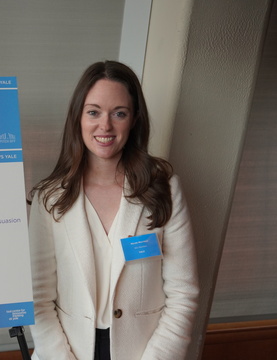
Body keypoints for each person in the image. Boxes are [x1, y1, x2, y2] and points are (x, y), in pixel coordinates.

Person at [27, 60, 199, 360]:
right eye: (93, 112)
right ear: (78, 118)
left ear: (134, 120)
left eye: (119, 113)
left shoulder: (164, 188)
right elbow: (38, 302)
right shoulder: (49, 198)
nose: (105, 126)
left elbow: (184, 296)